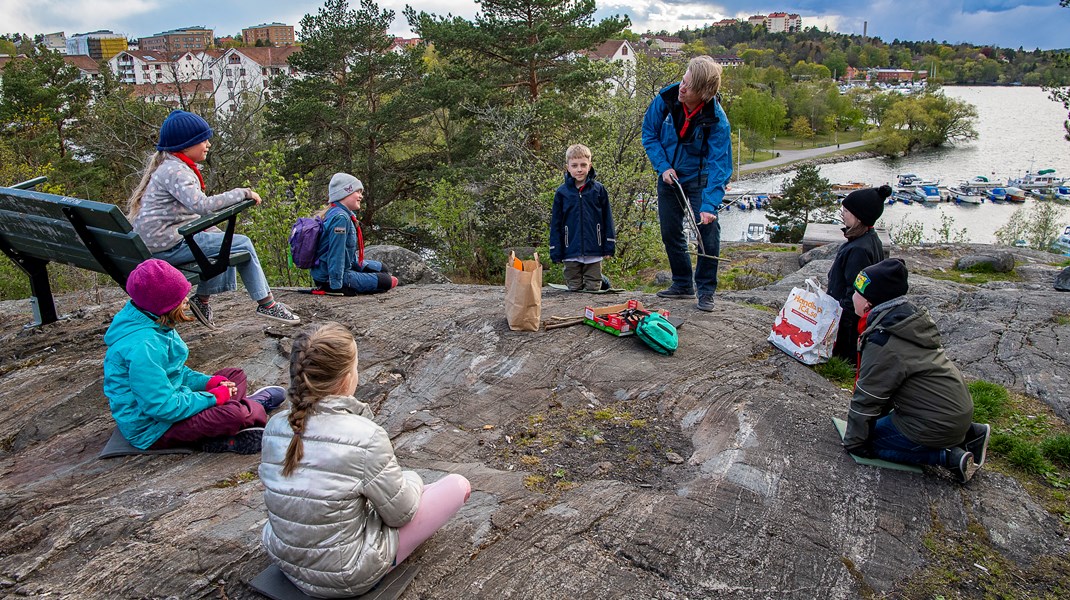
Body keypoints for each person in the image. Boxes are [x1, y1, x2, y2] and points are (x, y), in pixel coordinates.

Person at [260, 322, 471, 598]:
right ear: (347, 378)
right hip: (345, 574)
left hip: (283, 557)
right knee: (457, 486)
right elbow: (401, 514)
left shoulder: (275, 426)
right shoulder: (366, 436)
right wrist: (413, 480)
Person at [128, 109, 300, 328]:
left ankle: (202, 299)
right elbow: (202, 206)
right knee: (241, 244)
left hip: (159, 243)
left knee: (221, 237)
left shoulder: (168, 167)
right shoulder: (176, 171)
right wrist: (242, 193)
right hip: (167, 247)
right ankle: (267, 303)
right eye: (203, 140)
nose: (208, 144)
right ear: (185, 145)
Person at [104, 259, 287, 454]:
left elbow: (177, 373)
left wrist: (209, 383)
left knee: (233, 375)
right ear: (163, 304)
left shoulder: (156, 321)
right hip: (154, 428)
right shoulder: (144, 346)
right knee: (232, 415)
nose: (186, 300)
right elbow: (162, 407)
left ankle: (244, 407)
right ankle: (250, 407)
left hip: (173, 401)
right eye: (180, 297)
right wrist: (212, 398)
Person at [841, 258, 991, 483]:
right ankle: (970, 433)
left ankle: (948, 456)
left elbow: (869, 396)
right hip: (954, 410)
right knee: (874, 428)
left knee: (869, 442)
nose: (851, 295)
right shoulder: (906, 320)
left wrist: (854, 442)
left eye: (856, 291)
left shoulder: (884, 341)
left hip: (932, 423)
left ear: (868, 305)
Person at [641, 55, 733, 312]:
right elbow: (648, 133)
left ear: (703, 93)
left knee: (708, 231)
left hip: (699, 178)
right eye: (683, 80)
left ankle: (705, 290)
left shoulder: (717, 121)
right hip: (669, 174)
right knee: (670, 231)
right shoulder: (666, 99)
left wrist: (710, 205)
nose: (681, 87)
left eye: (688, 86)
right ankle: (682, 284)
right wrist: (663, 167)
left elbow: (720, 164)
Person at [827, 185, 892, 365]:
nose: (842, 213)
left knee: (844, 361)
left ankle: (846, 363)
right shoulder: (870, 239)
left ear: (859, 216)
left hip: (848, 326)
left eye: (846, 210)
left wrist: (839, 329)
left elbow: (853, 291)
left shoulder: (859, 250)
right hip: (852, 321)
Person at [310, 173, 398, 295]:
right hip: (329, 277)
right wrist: (336, 286)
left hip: (342, 268)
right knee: (389, 281)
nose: (361, 196)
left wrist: (362, 266)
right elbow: (336, 254)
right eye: (358, 192)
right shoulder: (340, 218)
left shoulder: (341, 214)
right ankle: (333, 283)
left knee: (383, 269)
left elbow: (347, 254)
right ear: (344, 193)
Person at [548, 144, 616, 291]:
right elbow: (556, 224)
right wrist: (556, 250)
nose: (579, 169)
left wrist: (609, 246)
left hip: (594, 249)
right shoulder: (562, 193)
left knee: (593, 289)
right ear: (568, 167)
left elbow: (607, 219)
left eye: (583, 165)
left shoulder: (599, 190)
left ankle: (600, 280)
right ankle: (591, 282)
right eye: (574, 165)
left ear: (589, 166)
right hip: (570, 250)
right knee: (574, 288)